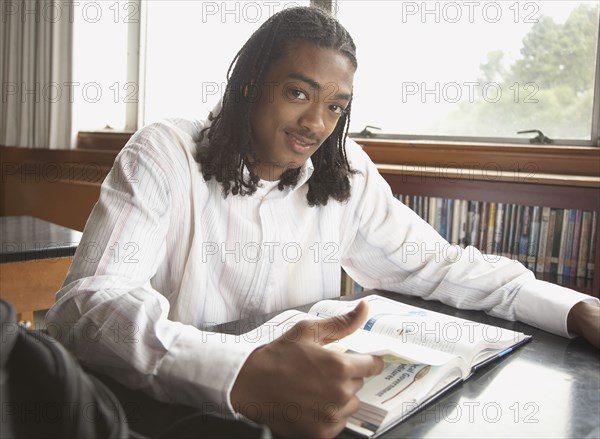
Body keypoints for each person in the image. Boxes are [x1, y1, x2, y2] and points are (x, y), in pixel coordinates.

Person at [47, 6, 600, 439]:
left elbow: (436, 265)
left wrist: (573, 309)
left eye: (336, 106)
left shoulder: (344, 168)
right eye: (297, 93)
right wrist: (236, 372)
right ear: (248, 84)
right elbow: (89, 302)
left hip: (309, 416)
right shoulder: (164, 152)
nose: (316, 122)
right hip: (179, 416)